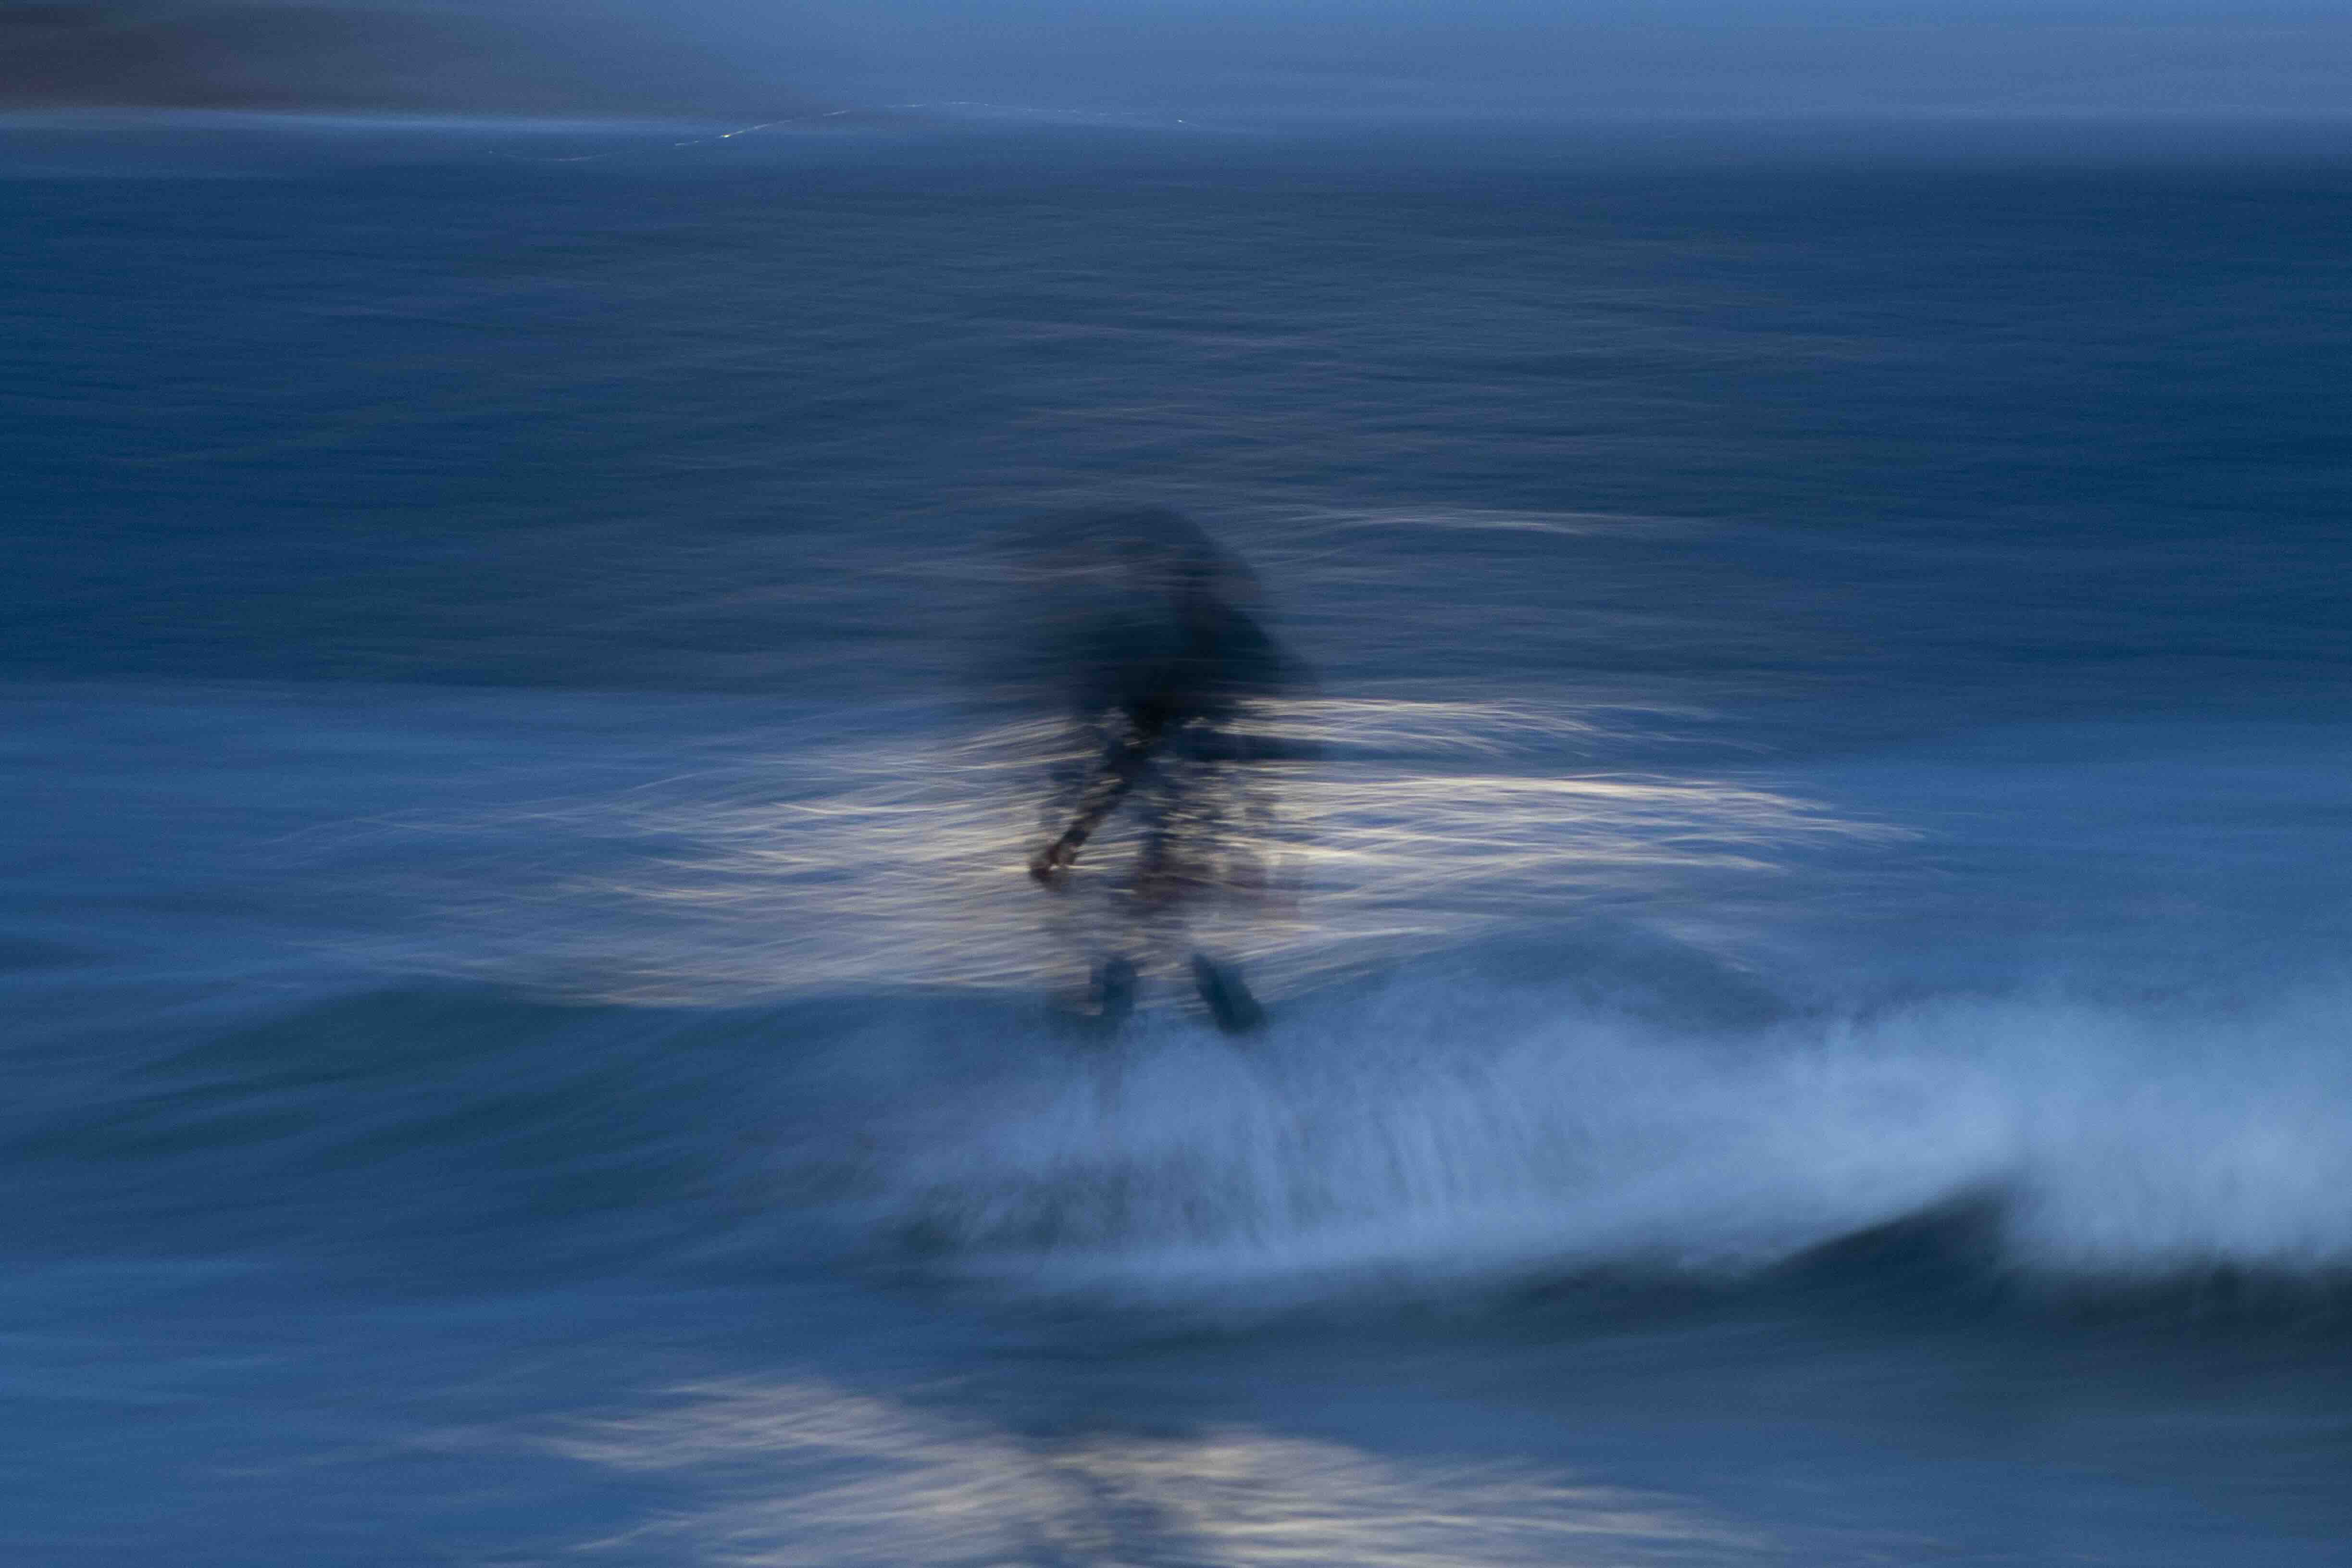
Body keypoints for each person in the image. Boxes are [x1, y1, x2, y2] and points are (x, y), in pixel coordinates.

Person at [1019, 508, 1297, 1033]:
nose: (1179, 602)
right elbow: (1132, 756)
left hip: (1211, 819)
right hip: (1197, 816)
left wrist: (1264, 855)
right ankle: (1232, 1028)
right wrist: (1072, 840)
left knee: (1153, 922)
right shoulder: (1194, 659)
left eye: (1187, 592)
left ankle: (1118, 1029)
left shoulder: (1224, 659)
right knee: (1156, 925)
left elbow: (1260, 754)